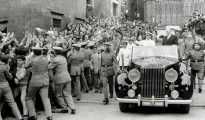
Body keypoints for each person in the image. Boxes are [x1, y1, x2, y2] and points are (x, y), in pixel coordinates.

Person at [25, 47, 52, 120]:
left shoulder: (33, 60)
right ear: (41, 52)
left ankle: (33, 115)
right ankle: (49, 116)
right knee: (45, 98)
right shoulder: (46, 59)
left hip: (35, 81)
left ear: (34, 53)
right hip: (45, 80)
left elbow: (26, 66)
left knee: (29, 97)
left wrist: (30, 57)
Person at [48, 46, 75, 114]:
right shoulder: (63, 58)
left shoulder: (55, 59)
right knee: (67, 93)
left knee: (58, 94)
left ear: (54, 52)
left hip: (60, 78)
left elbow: (49, 67)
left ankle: (64, 107)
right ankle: (72, 108)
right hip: (67, 77)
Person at [0, 54, 23, 120]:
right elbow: (10, 78)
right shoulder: (4, 67)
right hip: (6, 86)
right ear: (6, 61)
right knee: (12, 102)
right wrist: (10, 74)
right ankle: (19, 117)